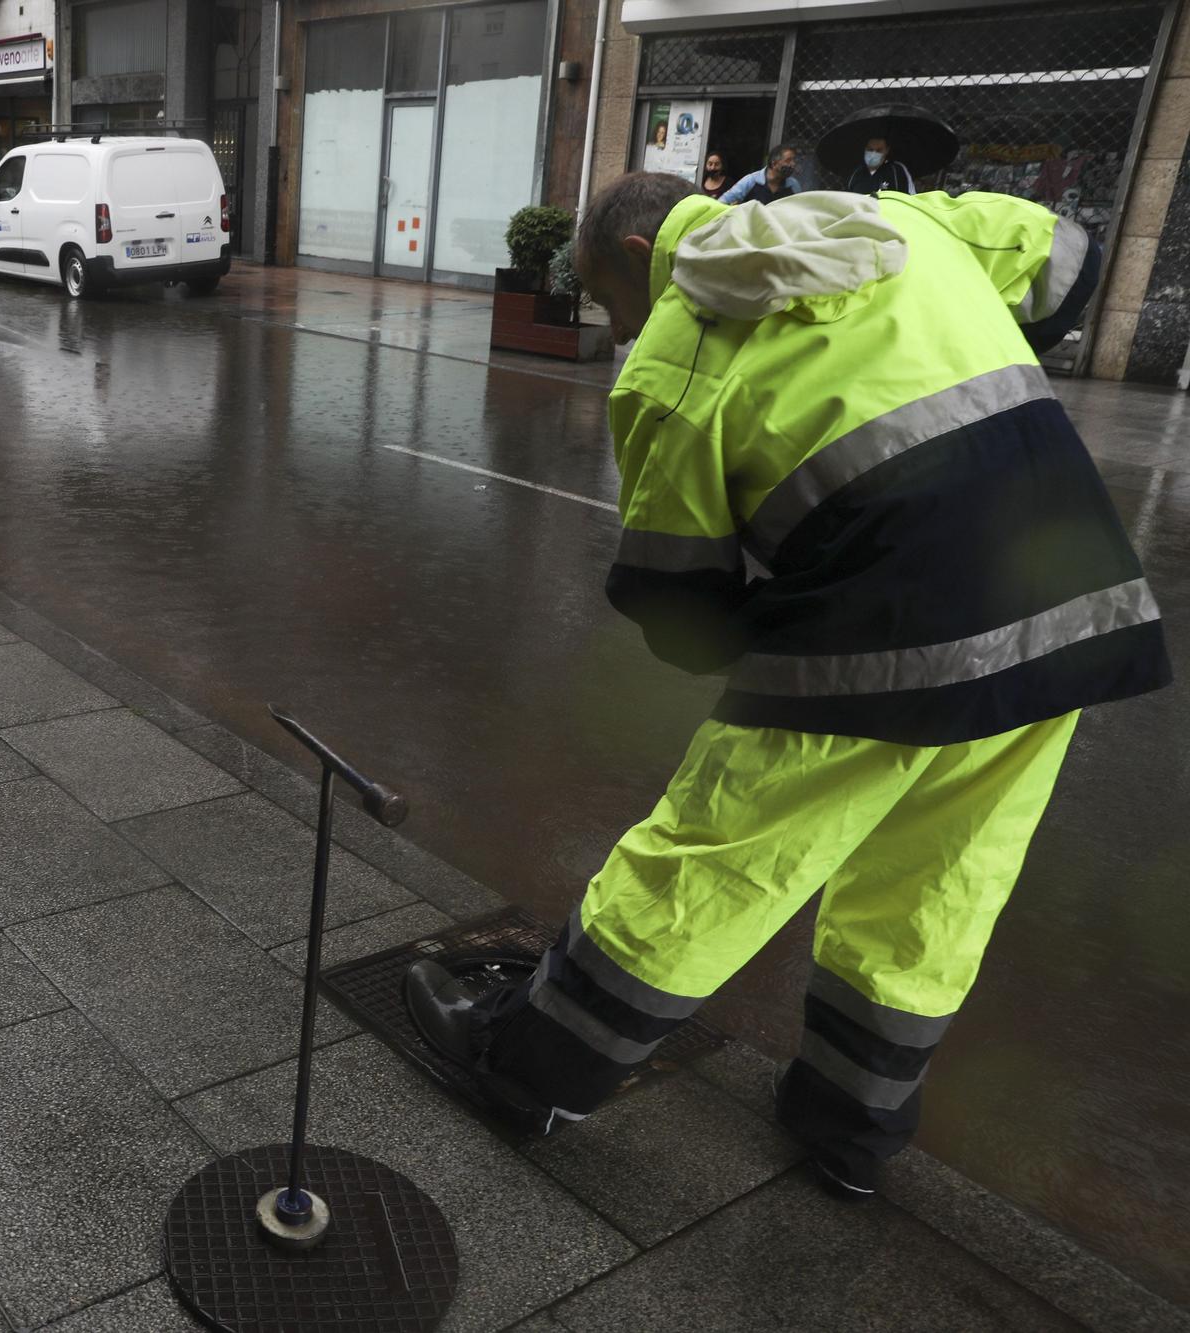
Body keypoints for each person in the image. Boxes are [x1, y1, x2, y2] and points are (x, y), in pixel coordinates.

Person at [405, 171, 1167, 1200]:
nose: (615, 326)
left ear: (638, 256)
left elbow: (677, 603)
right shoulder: (891, 219)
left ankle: (529, 1073)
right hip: (1065, 603)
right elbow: (1060, 256)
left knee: (708, 859)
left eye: (604, 299)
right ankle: (849, 1131)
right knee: (935, 886)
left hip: (877, 630)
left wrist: (767, 633)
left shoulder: (676, 352)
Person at [719, 144, 799, 205]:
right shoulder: (751, 181)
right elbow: (723, 201)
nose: (793, 164)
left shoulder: (793, 185)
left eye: (794, 160)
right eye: (788, 160)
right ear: (774, 163)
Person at [844, 135, 918, 197]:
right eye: (870, 149)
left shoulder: (897, 171)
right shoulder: (856, 173)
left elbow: (911, 198)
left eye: (878, 150)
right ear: (865, 149)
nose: (873, 154)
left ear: (887, 150)